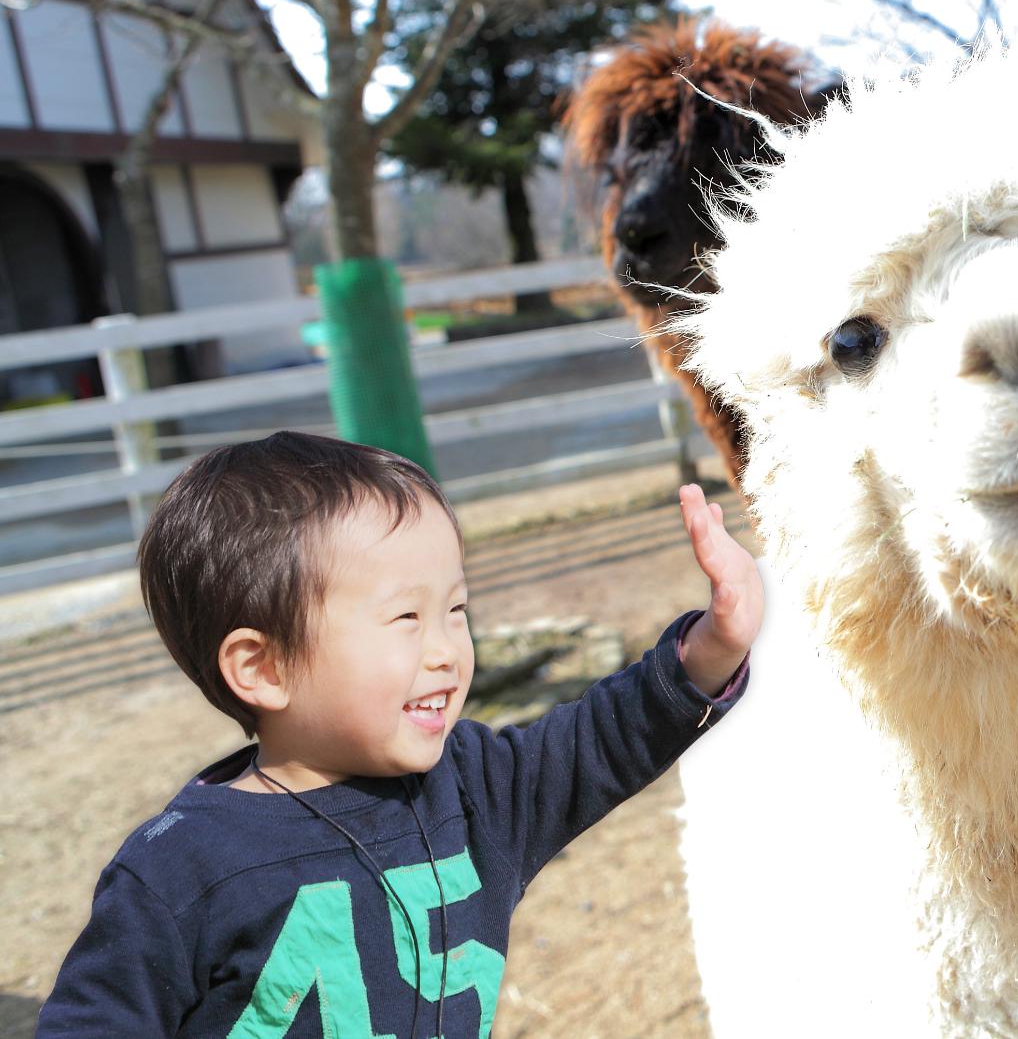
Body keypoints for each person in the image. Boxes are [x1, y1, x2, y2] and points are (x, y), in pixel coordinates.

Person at [37, 430, 760, 1037]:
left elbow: (598, 741)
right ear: (263, 666)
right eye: (407, 618)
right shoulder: (179, 871)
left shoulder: (475, 791)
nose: (448, 647)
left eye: (456, 608)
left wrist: (707, 650)